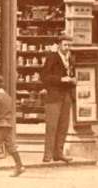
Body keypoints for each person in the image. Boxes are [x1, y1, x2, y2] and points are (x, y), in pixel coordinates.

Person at [41, 35, 75, 163]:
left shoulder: (70, 58)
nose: (67, 48)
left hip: (66, 95)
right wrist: (61, 79)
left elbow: (71, 73)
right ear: (59, 45)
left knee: (63, 126)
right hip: (54, 96)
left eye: (69, 45)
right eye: (65, 45)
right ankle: (48, 154)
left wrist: (72, 79)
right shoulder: (52, 57)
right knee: (52, 126)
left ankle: (58, 153)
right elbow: (44, 76)